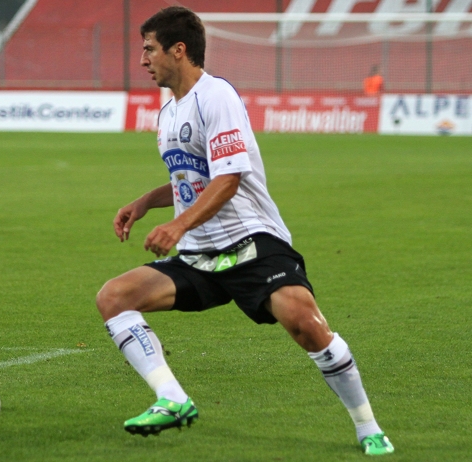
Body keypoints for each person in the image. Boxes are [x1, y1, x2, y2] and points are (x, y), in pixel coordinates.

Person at [95, 6, 394, 457]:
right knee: (114, 297)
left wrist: (176, 225)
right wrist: (143, 203)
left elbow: (227, 179)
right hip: (200, 254)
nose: (143, 59)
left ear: (179, 50)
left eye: (149, 49)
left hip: (252, 242)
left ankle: (367, 426)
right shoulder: (168, 109)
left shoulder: (216, 97)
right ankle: (172, 399)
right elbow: (189, 180)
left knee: (307, 325)